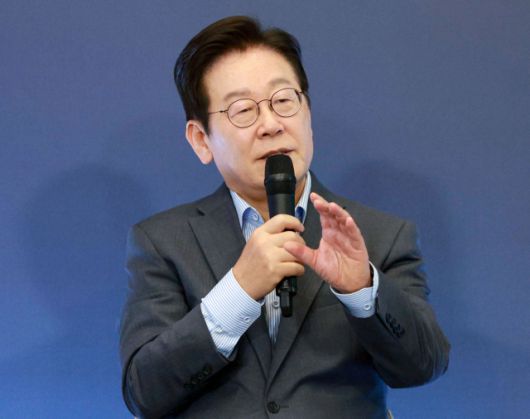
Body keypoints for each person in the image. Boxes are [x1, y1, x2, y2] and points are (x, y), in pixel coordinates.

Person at [119, 16, 450, 419]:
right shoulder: (163, 242)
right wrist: (238, 291)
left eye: (283, 101)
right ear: (201, 140)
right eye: (243, 109)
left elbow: (423, 365)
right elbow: (145, 392)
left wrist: (362, 289)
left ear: (307, 113)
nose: (271, 125)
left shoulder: (381, 235)